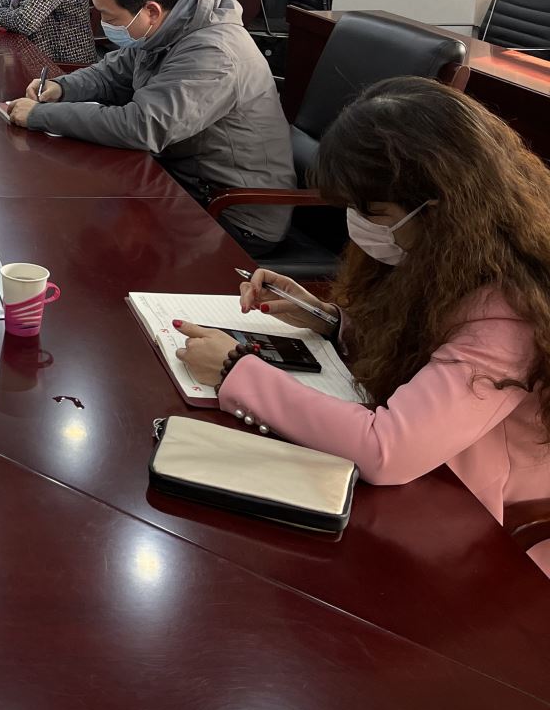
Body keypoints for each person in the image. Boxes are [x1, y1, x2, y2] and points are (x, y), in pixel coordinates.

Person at [172, 78, 550, 577]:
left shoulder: (508, 313)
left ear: (442, 208)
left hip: (461, 502)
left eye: (374, 213)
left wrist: (232, 370)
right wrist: (329, 320)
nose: (359, 224)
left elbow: (387, 451)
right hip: (423, 464)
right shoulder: (448, 253)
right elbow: (423, 346)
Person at [1, 0, 294, 254]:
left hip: (231, 212)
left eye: (110, 17)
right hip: (180, 179)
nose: (103, 23)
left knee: (89, 237)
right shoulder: (171, 23)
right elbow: (114, 71)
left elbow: (141, 126)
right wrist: (62, 87)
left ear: (150, 11)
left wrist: (40, 115)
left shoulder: (214, 53)